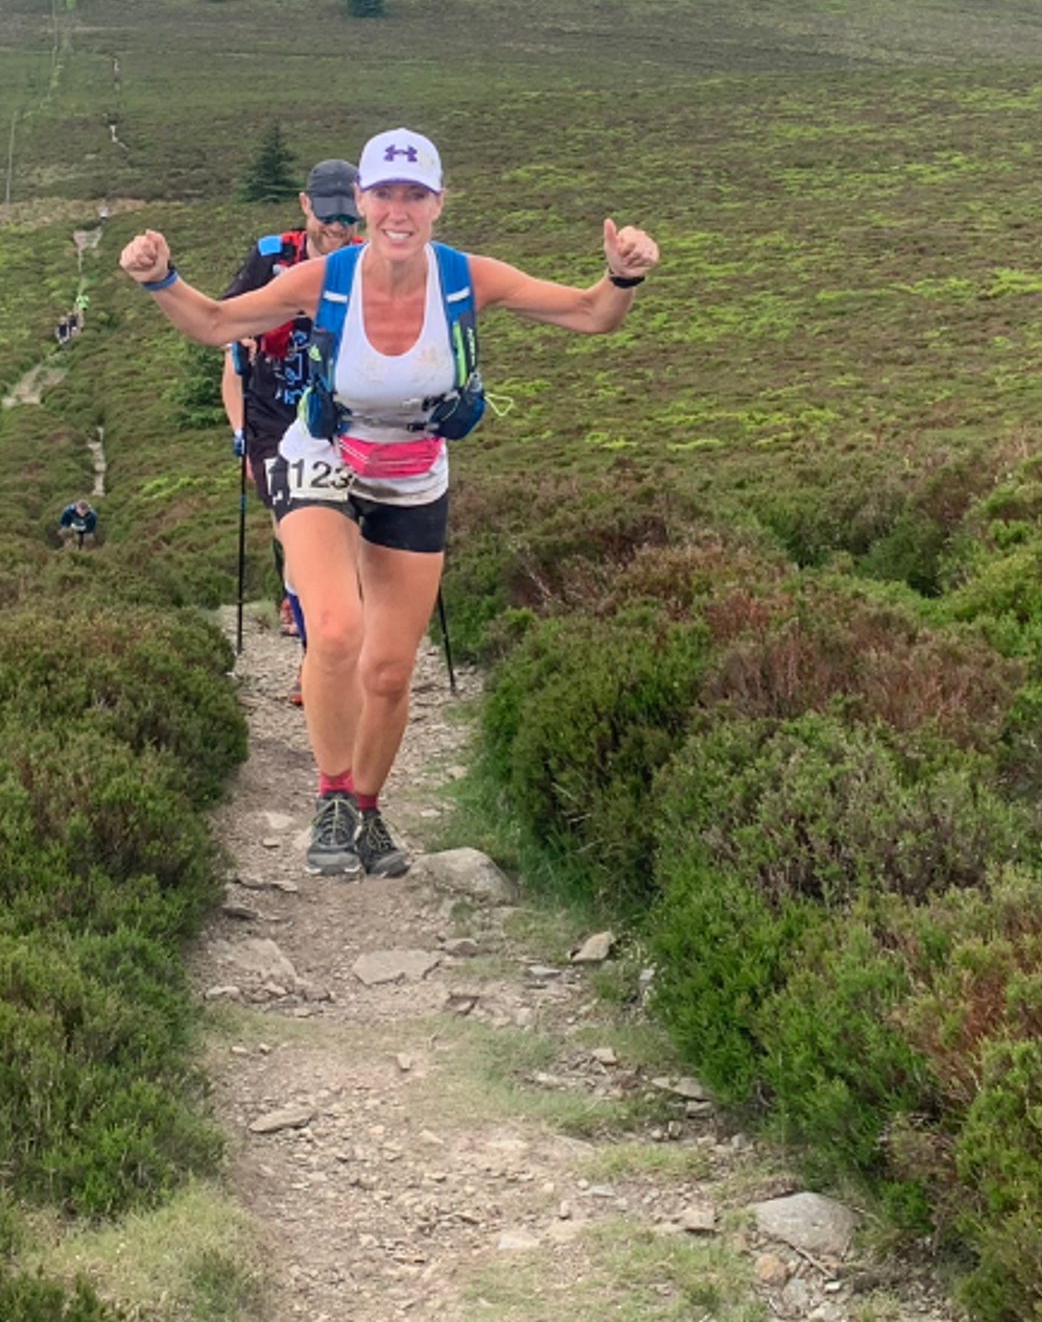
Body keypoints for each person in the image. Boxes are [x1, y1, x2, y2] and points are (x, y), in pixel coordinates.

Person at [121, 128, 657, 880]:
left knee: (390, 672)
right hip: (321, 457)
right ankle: (333, 797)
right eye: (384, 195)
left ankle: (368, 812)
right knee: (336, 630)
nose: (398, 211)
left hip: (413, 473)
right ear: (364, 202)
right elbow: (218, 322)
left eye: (415, 195)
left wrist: (622, 276)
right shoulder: (326, 278)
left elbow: (590, 313)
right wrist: (160, 277)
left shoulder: (468, 276)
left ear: (438, 203)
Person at [220, 158, 362, 694]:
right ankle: (315, 660)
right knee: (296, 538)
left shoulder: (371, 261)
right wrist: (245, 335)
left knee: (346, 541)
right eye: (329, 214)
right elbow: (225, 324)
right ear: (306, 205)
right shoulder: (270, 257)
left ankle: (338, 642)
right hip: (276, 422)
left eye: (349, 216)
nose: (339, 227)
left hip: (350, 421)